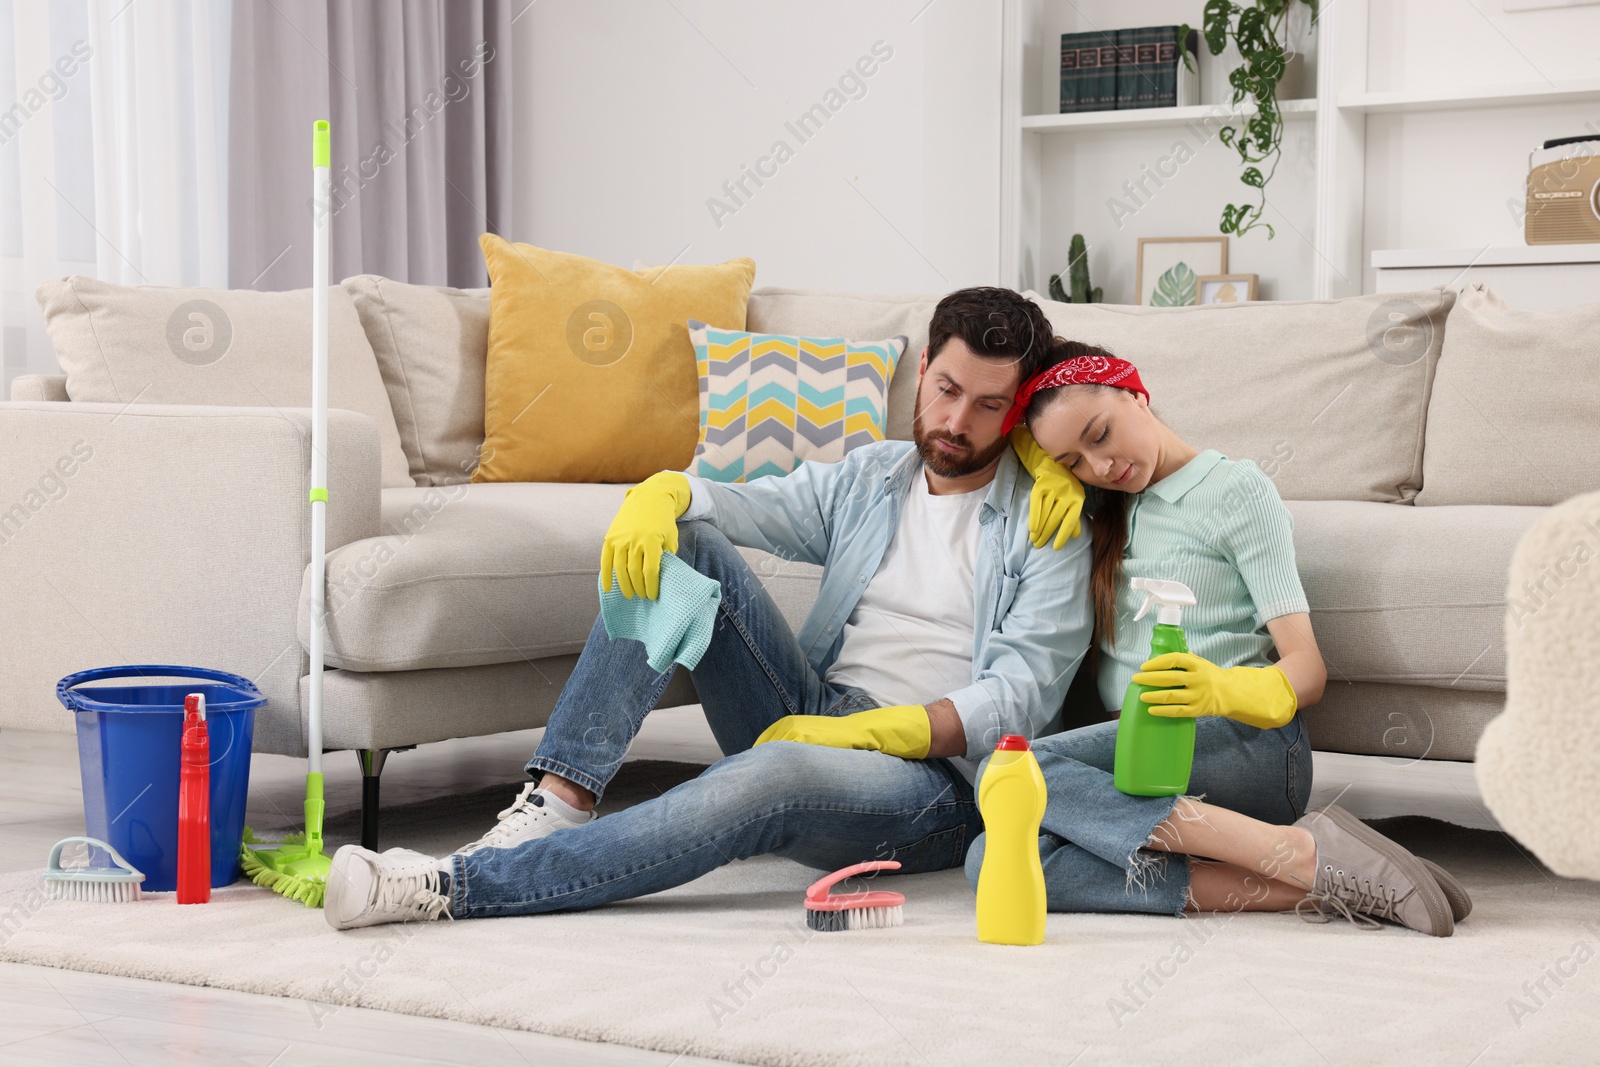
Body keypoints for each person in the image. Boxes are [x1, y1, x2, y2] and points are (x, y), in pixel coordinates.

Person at [321, 286, 1098, 930]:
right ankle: (559, 798)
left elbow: (1019, 697)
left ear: (1021, 410)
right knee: (685, 542)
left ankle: (458, 886)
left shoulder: (1049, 521)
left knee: (779, 770)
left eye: (990, 406)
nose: (958, 423)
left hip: (935, 783)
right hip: (812, 710)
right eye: (948, 390)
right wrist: (664, 492)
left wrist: (866, 733)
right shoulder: (877, 476)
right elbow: (746, 507)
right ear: (923, 368)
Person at [962, 343, 1470, 936]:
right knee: (992, 856)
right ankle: (1314, 876)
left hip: (1245, 746)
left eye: (1100, 435)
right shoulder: (1104, 506)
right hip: (1142, 759)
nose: (1098, 466)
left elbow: (1308, 670)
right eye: (1072, 461)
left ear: (1133, 392)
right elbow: (1017, 439)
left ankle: (1301, 853)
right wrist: (1054, 469)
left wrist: (1219, 689)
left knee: (1019, 772)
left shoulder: (1234, 490)